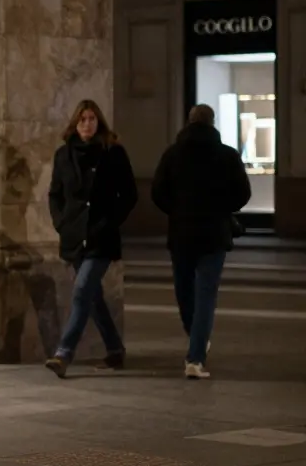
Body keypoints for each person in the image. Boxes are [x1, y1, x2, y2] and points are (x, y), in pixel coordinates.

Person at [151, 104, 251, 380]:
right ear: (212, 123)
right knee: (206, 294)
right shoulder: (227, 155)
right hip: (214, 234)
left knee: (184, 291)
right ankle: (195, 358)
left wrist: (177, 209)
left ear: (188, 122)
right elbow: (243, 193)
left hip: (181, 233)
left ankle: (195, 335)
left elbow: (158, 192)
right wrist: (222, 209)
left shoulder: (172, 155)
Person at [45, 100, 138, 379]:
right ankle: (114, 348)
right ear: (75, 124)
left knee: (83, 288)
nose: (87, 124)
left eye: (92, 119)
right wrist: (62, 223)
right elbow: (55, 194)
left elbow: (130, 195)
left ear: (99, 123)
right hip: (75, 236)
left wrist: (110, 222)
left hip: (101, 237)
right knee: (93, 296)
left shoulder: (113, 153)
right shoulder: (64, 155)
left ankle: (64, 353)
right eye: (83, 119)